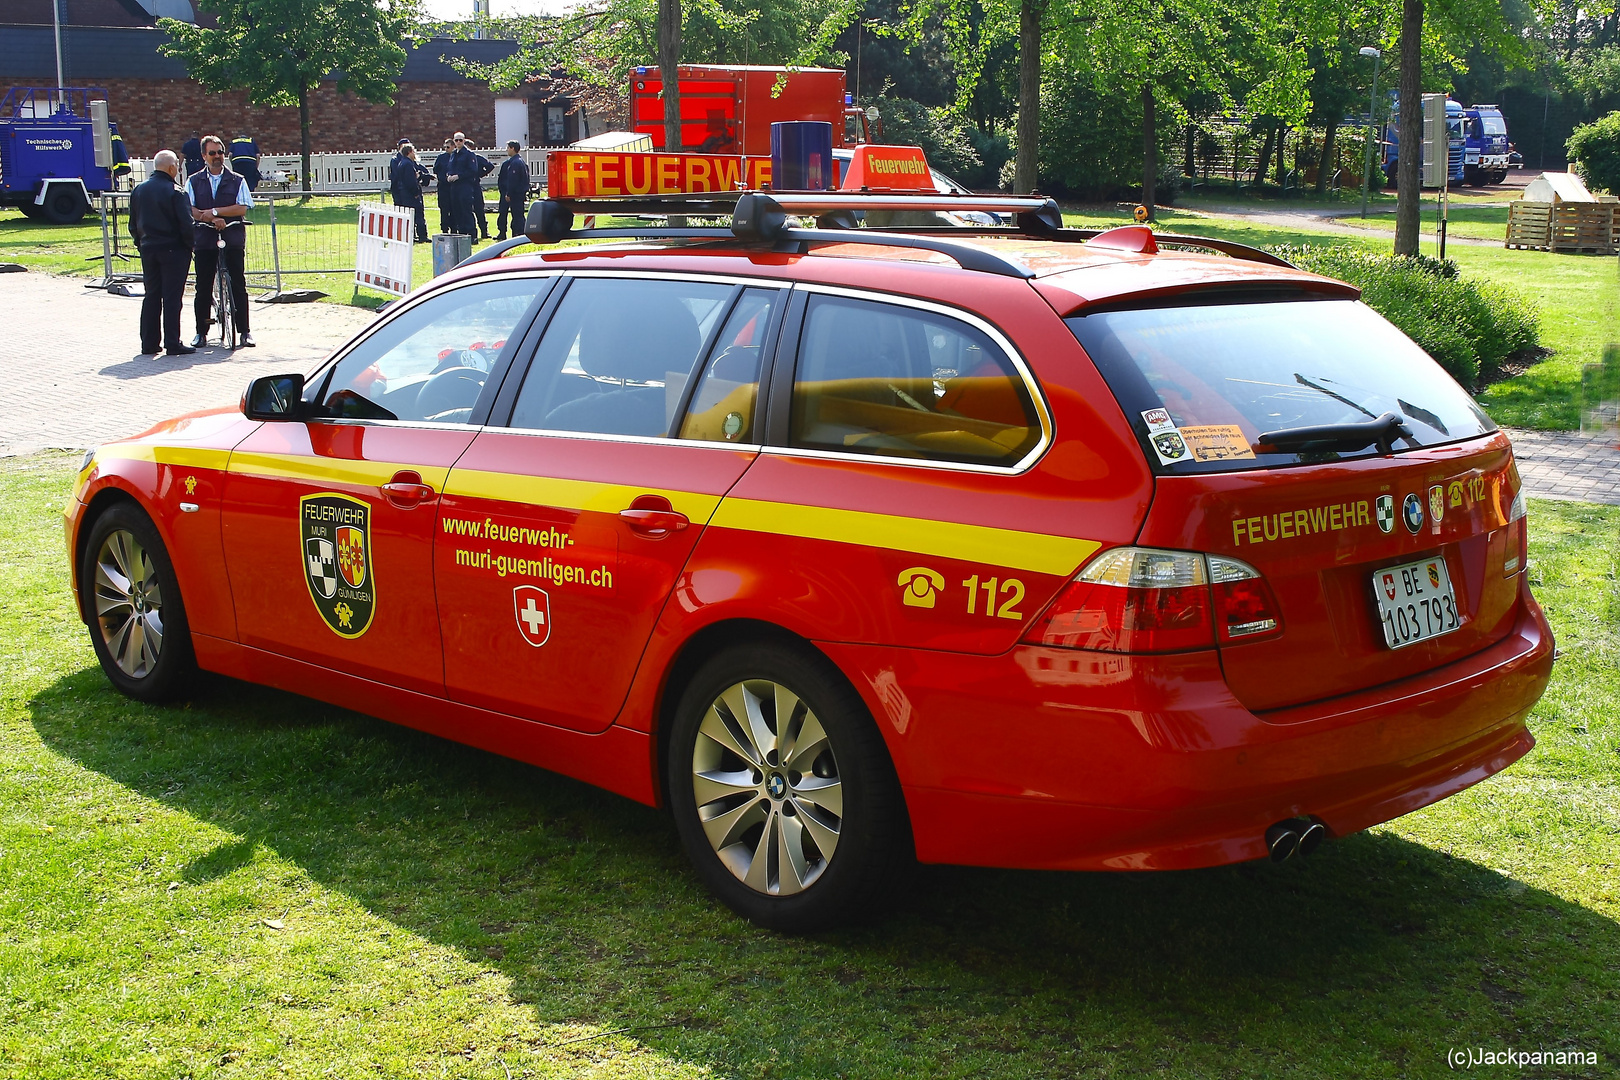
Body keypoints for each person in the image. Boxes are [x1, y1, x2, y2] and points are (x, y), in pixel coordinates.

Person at [186, 135, 254, 349]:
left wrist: (216, 211)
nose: (217, 157)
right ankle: (202, 331)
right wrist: (211, 218)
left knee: (238, 284)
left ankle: (244, 331)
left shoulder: (237, 180)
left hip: (232, 237)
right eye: (212, 153)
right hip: (205, 238)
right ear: (204, 156)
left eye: (220, 152)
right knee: (203, 287)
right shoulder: (193, 181)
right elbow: (190, 209)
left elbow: (242, 207)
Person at [128, 150, 195, 357]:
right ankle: (172, 342)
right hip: (173, 249)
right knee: (172, 297)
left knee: (152, 295)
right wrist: (189, 247)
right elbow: (186, 224)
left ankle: (149, 343)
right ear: (171, 167)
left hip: (149, 248)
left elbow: (133, 224)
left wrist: (141, 243)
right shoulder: (176, 191)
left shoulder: (139, 190)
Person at [390, 139, 432, 243]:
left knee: (409, 215)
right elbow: (409, 181)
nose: (415, 153)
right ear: (409, 152)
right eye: (413, 151)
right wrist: (415, 193)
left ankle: (410, 236)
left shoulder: (403, 163)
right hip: (409, 194)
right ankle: (421, 235)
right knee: (417, 214)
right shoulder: (407, 163)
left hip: (404, 193)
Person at [443, 131, 482, 239]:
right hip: (454, 187)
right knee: (457, 210)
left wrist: (458, 176)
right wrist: (448, 176)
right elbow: (450, 168)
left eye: (461, 140)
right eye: (456, 140)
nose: (458, 142)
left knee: (466, 210)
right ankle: (462, 233)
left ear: (464, 141)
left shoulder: (469, 154)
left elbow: (473, 170)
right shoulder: (453, 154)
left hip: (465, 186)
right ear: (454, 141)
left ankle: (472, 235)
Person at [495, 140, 531, 241]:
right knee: (504, 213)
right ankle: (503, 232)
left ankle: (518, 233)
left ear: (512, 148)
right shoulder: (514, 162)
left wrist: (509, 193)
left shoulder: (516, 163)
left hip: (514, 194)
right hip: (510, 192)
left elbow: (513, 180)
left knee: (517, 215)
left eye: (508, 148)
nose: (507, 150)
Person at [469, 141, 496, 240]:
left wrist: (480, 174)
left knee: (479, 209)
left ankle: (484, 231)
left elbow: (490, 166)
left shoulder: (477, 158)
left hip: (475, 185)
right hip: (465, 185)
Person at [433, 137, 455, 234]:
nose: (446, 149)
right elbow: (435, 169)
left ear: (453, 147)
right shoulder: (441, 157)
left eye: (448, 147)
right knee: (444, 209)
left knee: (454, 208)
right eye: (445, 147)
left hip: (453, 186)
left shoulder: (456, 156)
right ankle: (444, 228)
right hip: (443, 186)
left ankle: (454, 228)